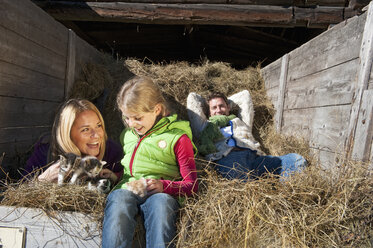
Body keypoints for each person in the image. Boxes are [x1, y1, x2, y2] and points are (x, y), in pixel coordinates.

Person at [102, 76, 198, 248]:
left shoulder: (178, 138)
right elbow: (132, 170)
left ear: (157, 109)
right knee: (117, 198)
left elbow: (191, 185)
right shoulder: (128, 136)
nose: (131, 124)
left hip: (161, 193)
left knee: (161, 204)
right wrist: (116, 176)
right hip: (130, 188)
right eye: (127, 118)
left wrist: (164, 186)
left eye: (137, 118)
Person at [187, 90, 307, 180]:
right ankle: (267, 185)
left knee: (297, 160)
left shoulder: (241, 121)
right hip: (229, 161)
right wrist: (208, 101)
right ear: (209, 112)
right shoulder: (205, 126)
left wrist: (225, 102)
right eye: (214, 108)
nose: (218, 110)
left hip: (255, 157)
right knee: (244, 185)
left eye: (222, 106)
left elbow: (245, 96)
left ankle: (280, 186)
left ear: (228, 106)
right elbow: (192, 98)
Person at [23, 99, 123, 184]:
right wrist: (43, 180)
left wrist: (116, 178)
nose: (96, 135)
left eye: (98, 126)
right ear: (68, 134)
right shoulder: (45, 153)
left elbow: (131, 180)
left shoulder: (112, 152)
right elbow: (19, 192)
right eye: (85, 129)